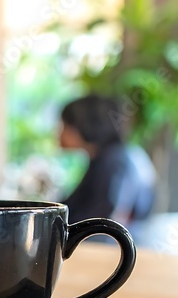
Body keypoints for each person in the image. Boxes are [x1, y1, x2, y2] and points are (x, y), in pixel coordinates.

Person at [59, 95, 156, 226]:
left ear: (85, 125)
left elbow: (103, 219)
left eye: (65, 126)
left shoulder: (114, 162)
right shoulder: (108, 157)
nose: (59, 133)